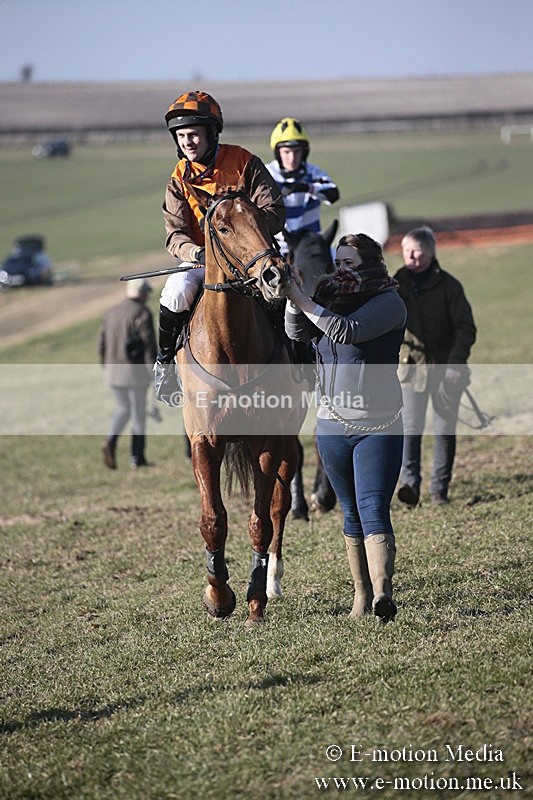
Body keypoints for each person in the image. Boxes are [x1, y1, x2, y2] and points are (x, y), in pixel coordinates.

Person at [285, 233, 406, 623]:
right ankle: (361, 596)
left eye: (350, 262)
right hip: (331, 425)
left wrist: (303, 300)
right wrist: (294, 297)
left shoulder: (388, 301)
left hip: (378, 424)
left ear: (371, 263)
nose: (342, 268)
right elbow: (299, 334)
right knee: (350, 513)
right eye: (339, 261)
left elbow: (346, 331)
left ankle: (383, 594)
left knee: (373, 508)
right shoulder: (327, 294)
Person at [154, 90, 286, 404]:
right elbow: (175, 235)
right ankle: (164, 366)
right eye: (182, 136)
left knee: (287, 289)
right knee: (175, 293)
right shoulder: (178, 178)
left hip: (251, 259)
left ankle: (301, 358)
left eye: (194, 135)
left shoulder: (244, 161)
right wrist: (196, 253)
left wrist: (246, 239)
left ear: (212, 134)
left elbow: (275, 211)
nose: (187, 142)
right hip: (203, 263)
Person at [394, 226, 477, 507]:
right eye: (407, 251)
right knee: (410, 431)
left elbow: (466, 328)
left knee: (443, 431)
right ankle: (410, 487)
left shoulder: (449, 286)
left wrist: (455, 364)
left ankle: (439, 490)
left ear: (430, 252)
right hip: (410, 372)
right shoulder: (395, 284)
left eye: (417, 251)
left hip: (446, 373)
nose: (411, 256)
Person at [99, 278, 157, 470]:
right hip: (134, 373)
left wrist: (105, 367)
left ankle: (111, 440)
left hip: (113, 372)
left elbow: (102, 344)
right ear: (140, 293)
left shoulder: (110, 312)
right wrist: (155, 373)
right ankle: (137, 458)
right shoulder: (142, 313)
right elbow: (149, 347)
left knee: (124, 408)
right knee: (138, 416)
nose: (148, 296)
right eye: (146, 293)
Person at [266, 117, 339, 255]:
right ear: (278, 152)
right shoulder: (267, 174)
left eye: (297, 152)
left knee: (338, 263)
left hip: (310, 244)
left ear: (304, 152)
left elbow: (333, 194)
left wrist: (306, 188)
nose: (292, 158)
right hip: (278, 246)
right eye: (287, 152)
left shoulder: (313, 172)